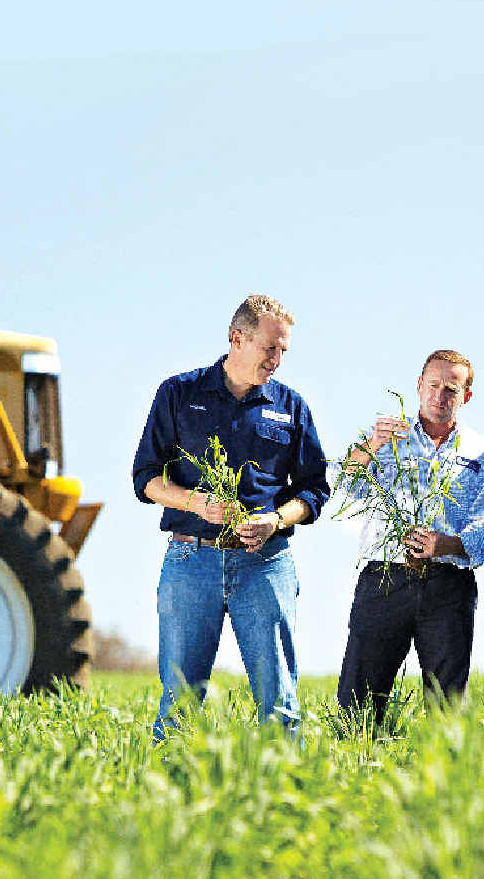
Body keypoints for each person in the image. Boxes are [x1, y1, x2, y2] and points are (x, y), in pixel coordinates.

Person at [131, 294, 329, 740]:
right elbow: (145, 477)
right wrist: (195, 503)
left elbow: (315, 490)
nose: (277, 360)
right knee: (179, 701)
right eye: (269, 349)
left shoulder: (291, 406)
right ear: (237, 338)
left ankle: (284, 798)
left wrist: (276, 521)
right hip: (190, 562)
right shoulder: (179, 393)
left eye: (283, 351)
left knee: (279, 702)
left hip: (266, 564)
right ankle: (167, 800)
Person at [334, 349, 484, 722]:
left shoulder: (482, 452)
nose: (439, 397)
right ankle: (354, 774)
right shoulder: (381, 437)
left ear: (466, 397)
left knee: (445, 709)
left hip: (449, 585)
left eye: (451, 390)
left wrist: (446, 545)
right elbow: (344, 491)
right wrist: (368, 450)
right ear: (418, 386)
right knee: (358, 703)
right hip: (385, 578)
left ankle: (437, 777)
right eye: (432, 385)